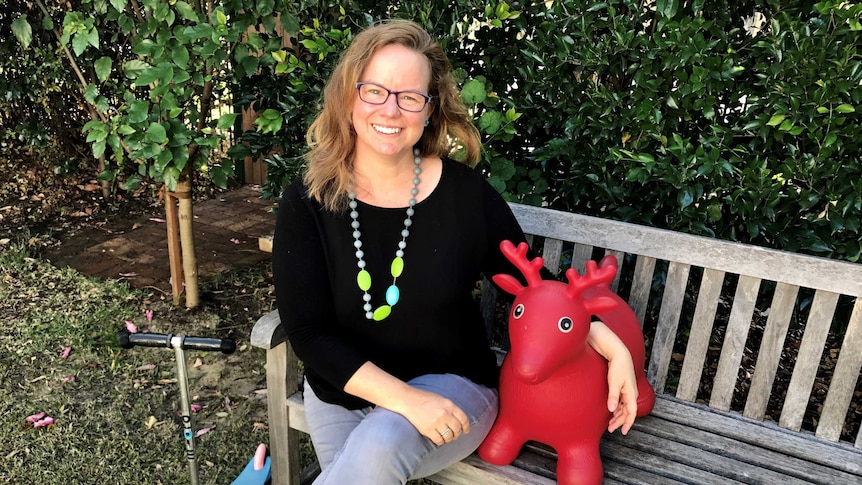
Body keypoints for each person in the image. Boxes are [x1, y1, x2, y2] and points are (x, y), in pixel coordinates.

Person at [271, 19, 639, 485]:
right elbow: (308, 332)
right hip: (344, 391)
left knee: (379, 448)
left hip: (454, 385)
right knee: (366, 465)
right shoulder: (308, 200)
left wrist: (610, 342)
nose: (391, 109)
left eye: (410, 97)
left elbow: (533, 287)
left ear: (430, 111)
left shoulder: (465, 195)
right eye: (375, 91)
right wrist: (404, 400)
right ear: (348, 97)